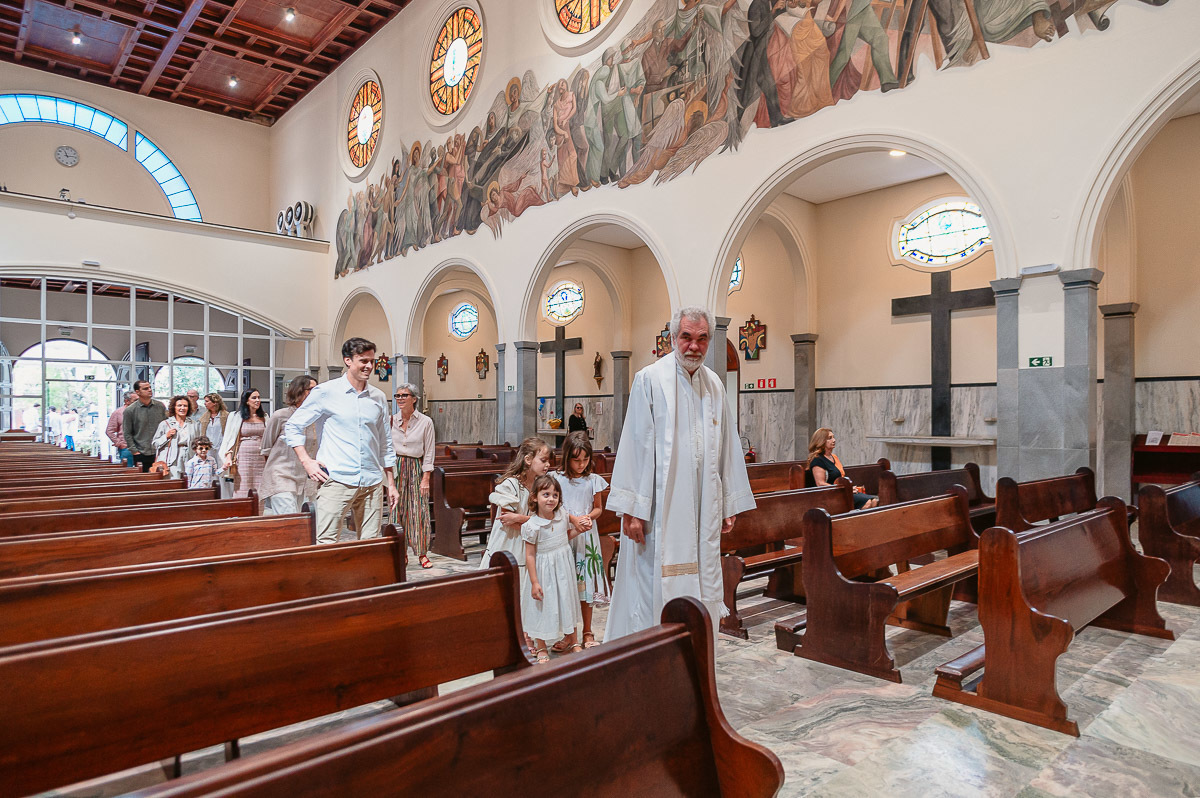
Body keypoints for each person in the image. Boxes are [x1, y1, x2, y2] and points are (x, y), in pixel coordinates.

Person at [606, 306, 756, 640]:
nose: (694, 346)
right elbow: (636, 446)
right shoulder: (650, 379)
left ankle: (693, 654)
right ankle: (651, 655)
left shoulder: (714, 385)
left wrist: (728, 502)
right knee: (651, 589)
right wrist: (632, 510)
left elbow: (727, 447)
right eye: (686, 337)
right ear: (672, 338)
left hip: (703, 509)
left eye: (702, 339)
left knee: (702, 581)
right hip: (658, 513)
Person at [284, 337, 399, 544]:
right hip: (337, 479)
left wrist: (391, 483)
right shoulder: (326, 392)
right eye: (363, 361)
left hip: (372, 482)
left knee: (370, 544)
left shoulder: (378, 397)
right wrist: (307, 461)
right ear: (348, 360)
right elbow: (293, 426)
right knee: (326, 543)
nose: (369, 366)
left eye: (371, 361)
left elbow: (385, 441)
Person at [551, 431, 608, 652]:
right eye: (576, 460)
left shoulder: (593, 480)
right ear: (567, 457)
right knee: (566, 586)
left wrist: (587, 517)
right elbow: (554, 505)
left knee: (584, 586)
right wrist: (572, 519)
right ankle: (568, 635)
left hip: (586, 537)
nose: (581, 464)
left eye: (585, 460)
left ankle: (587, 631)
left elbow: (598, 508)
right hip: (565, 535)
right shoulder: (558, 479)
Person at [522, 475, 585, 663]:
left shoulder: (562, 516)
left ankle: (573, 639)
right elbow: (530, 555)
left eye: (555, 495)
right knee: (541, 607)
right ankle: (540, 645)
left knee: (567, 601)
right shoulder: (531, 526)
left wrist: (579, 530)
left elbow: (565, 537)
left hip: (562, 568)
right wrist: (534, 582)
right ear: (534, 497)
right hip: (542, 571)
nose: (551, 499)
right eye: (546, 494)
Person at [479, 437, 552, 571]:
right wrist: (536, 523)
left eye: (548, 461)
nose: (547, 465)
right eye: (543, 460)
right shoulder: (511, 485)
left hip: (531, 540)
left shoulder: (541, 484)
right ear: (528, 459)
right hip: (510, 542)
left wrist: (520, 518)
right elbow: (507, 520)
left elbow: (547, 520)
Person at [391, 381, 436, 568]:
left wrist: (426, 478)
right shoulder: (391, 420)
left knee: (419, 511)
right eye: (398, 396)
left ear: (414, 399)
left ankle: (422, 553)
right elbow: (386, 449)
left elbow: (429, 452)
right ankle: (400, 552)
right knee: (396, 512)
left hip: (416, 467)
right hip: (396, 467)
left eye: (404, 395)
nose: (400, 399)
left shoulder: (426, 422)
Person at [259, 375, 319, 516]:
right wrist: (273, 470)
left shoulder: (316, 418)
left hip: (303, 477)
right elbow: (266, 448)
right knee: (289, 516)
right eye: (311, 389)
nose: (316, 393)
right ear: (298, 391)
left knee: (300, 518)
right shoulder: (280, 416)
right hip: (280, 474)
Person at [804, 427, 878, 509]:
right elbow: (820, 484)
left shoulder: (833, 457)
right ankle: (853, 521)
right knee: (867, 503)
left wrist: (848, 488)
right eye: (830, 438)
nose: (834, 440)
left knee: (874, 501)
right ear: (821, 441)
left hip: (839, 492)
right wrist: (844, 489)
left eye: (833, 437)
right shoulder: (817, 460)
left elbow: (840, 478)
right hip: (827, 496)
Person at [219, 388, 268, 500]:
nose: (257, 400)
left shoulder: (264, 417)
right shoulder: (236, 416)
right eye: (254, 398)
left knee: (259, 487)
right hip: (243, 456)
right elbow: (229, 438)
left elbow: (269, 437)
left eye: (259, 398)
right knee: (242, 487)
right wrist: (228, 457)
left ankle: (258, 515)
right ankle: (242, 514)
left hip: (260, 457)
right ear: (246, 400)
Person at [124, 380, 167, 472]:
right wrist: (135, 451)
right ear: (137, 392)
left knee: (161, 479)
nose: (150, 390)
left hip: (160, 450)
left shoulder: (160, 406)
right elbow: (127, 433)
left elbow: (166, 426)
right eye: (145, 388)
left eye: (150, 387)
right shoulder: (130, 410)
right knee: (144, 480)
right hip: (141, 451)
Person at [152, 395, 198, 478]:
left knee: (188, 483)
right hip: (171, 459)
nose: (182, 408)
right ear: (174, 407)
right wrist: (166, 436)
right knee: (173, 482)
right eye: (179, 405)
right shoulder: (165, 424)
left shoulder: (193, 424)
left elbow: (198, 442)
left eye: (185, 406)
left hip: (189, 457)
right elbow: (155, 444)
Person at [106, 392, 136, 466]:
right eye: (135, 401)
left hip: (141, 447)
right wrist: (119, 443)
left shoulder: (140, 412)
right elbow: (109, 431)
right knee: (128, 472)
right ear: (127, 401)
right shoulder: (118, 413)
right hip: (126, 448)